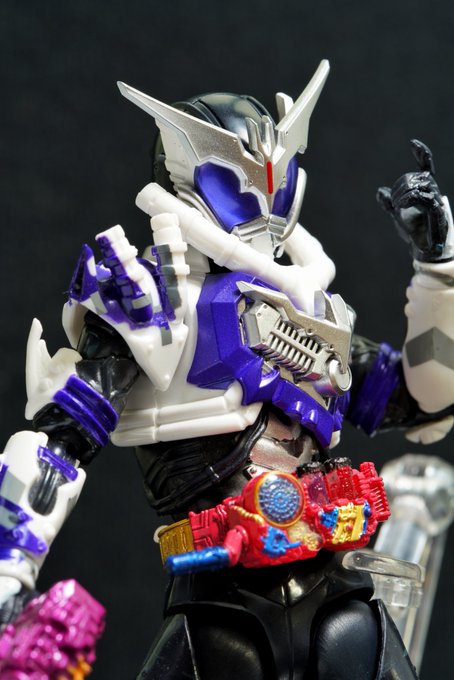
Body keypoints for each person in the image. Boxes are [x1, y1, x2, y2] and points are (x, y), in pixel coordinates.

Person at [1, 60, 453, 679]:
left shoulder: (312, 313)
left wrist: (438, 270)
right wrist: (10, 574)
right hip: (220, 609)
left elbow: (423, 398)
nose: (262, 199)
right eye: (237, 184)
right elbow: (61, 441)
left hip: (339, 596)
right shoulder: (154, 304)